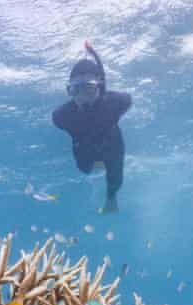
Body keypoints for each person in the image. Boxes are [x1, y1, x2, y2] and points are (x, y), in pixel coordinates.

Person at [52, 41, 132, 214]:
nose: (82, 97)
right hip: (84, 146)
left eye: (88, 89)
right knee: (84, 169)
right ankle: (98, 165)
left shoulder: (114, 102)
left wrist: (104, 98)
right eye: (75, 90)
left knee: (115, 176)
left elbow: (127, 99)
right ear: (69, 91)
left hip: (113, 145)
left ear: (99, 87)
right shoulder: (62, 115)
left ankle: (111, 200)